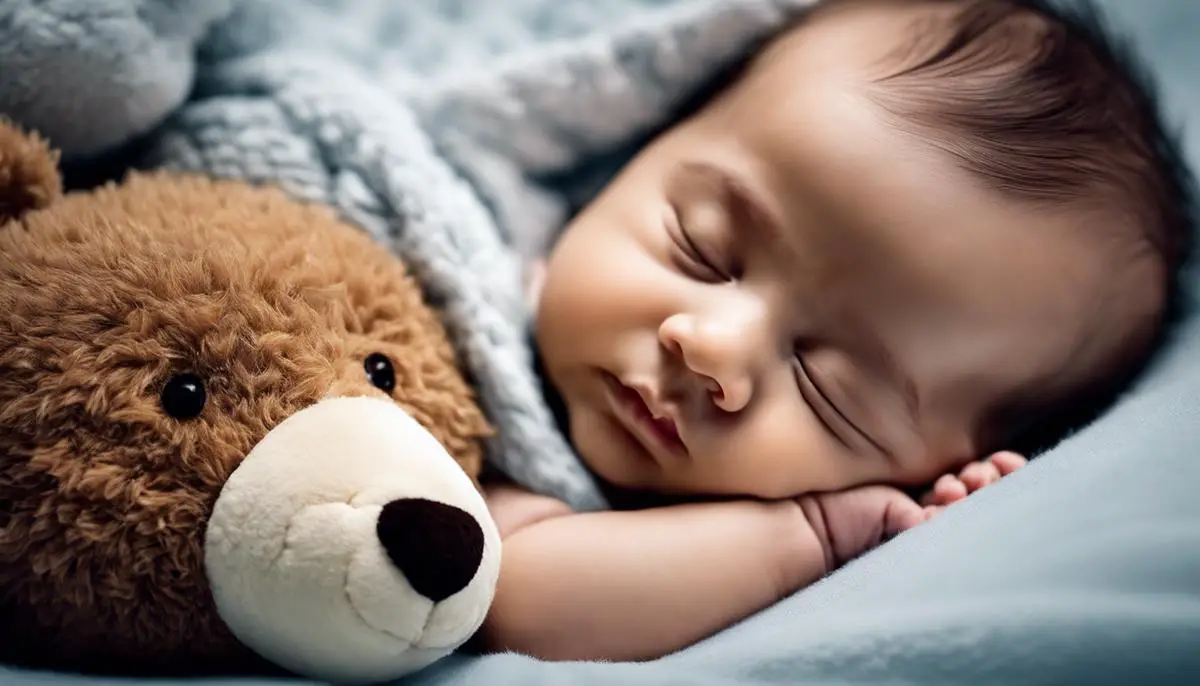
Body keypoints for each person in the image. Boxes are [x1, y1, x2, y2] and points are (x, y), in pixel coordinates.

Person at [475, 0, 1193, 662]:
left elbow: (505, 594)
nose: (713, 349)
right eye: (703, 248)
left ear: (929, 469)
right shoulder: (470, 275)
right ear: (646, 141)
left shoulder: (719, 536)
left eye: (828, 392)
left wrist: (814, 537)